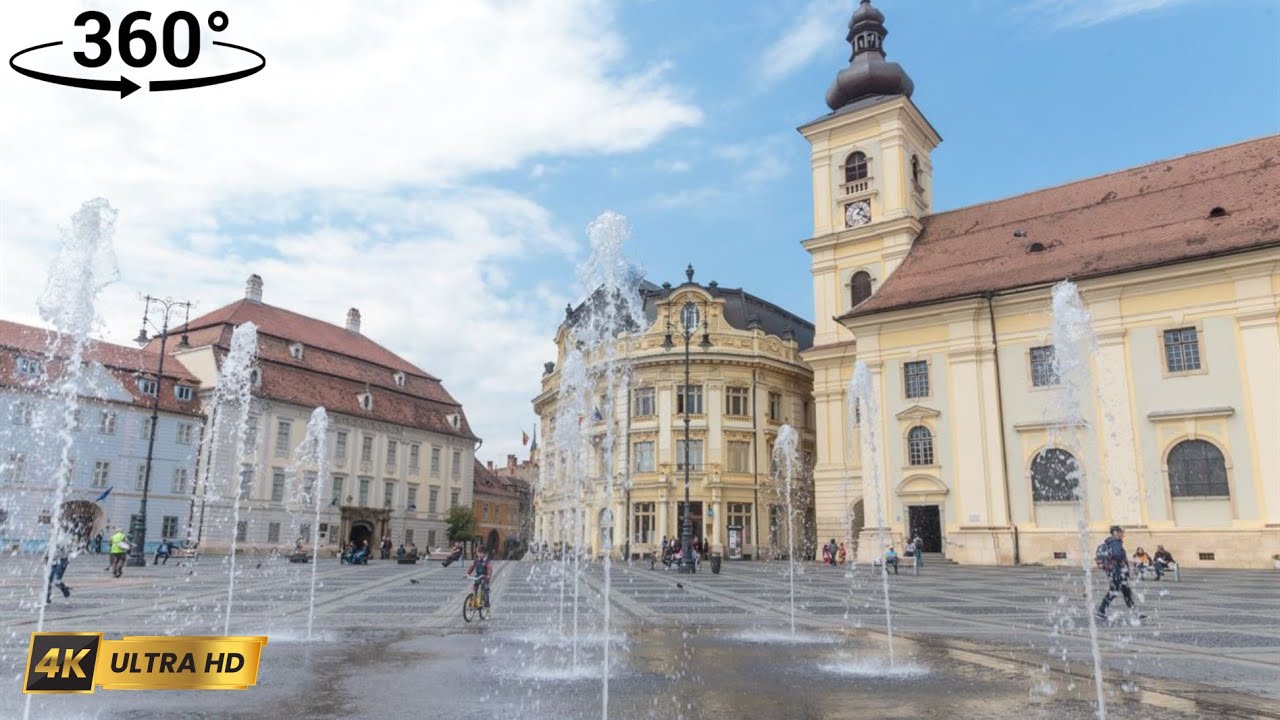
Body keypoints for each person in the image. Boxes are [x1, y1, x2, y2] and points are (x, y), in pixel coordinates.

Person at [1097, 525, 1145, 621]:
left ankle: (1136, 613)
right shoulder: (1115, 543)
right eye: (1122, 532)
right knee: (1113, 592)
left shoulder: (1111, 542)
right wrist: (1123, 562)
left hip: (1116, 571)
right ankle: (1100, 611)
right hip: (1118, 572)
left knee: (1126, 593)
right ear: (1116, 533)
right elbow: (1117, 555)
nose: (1123, 534)